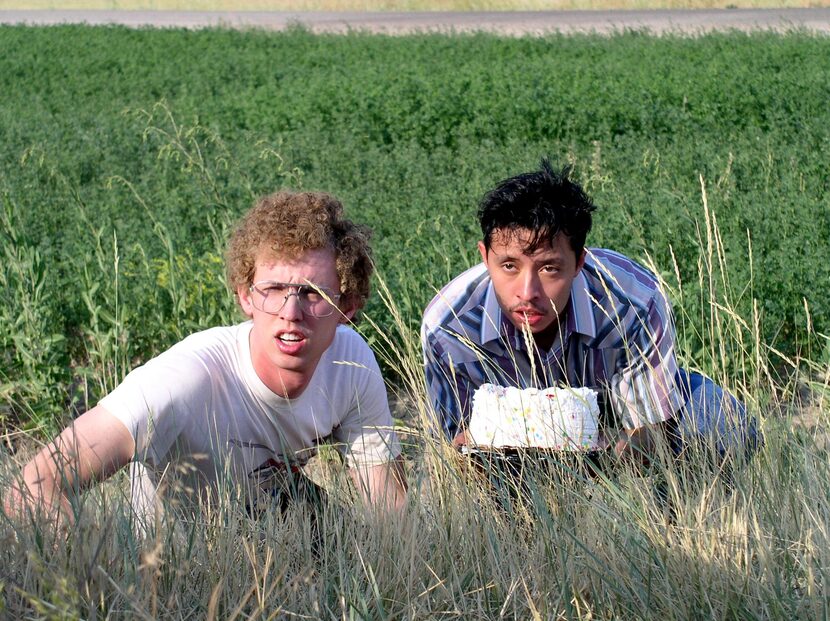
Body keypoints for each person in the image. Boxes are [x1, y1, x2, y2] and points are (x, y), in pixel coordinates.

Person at [7, 190, 407, 528]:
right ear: (245, 296)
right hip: (177, 561)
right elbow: (34, 484)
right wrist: (88, 577)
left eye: (311, 293)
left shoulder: (350, 361)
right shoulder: (185, 379)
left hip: (271, 524)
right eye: (274, 289)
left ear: (348, 305)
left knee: (348, 543)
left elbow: (390, 513)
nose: (290, 312)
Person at [422, 158, 759, 466]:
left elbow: (649, 431)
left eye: (549, 268)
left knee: (724, 423)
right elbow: (458, 445)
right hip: (510, 440)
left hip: (615, 417)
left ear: (580, 261)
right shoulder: (449, 327)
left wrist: (595, 459)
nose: (527, 293)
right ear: (485, 257)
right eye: (509, 266)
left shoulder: (632, 301)